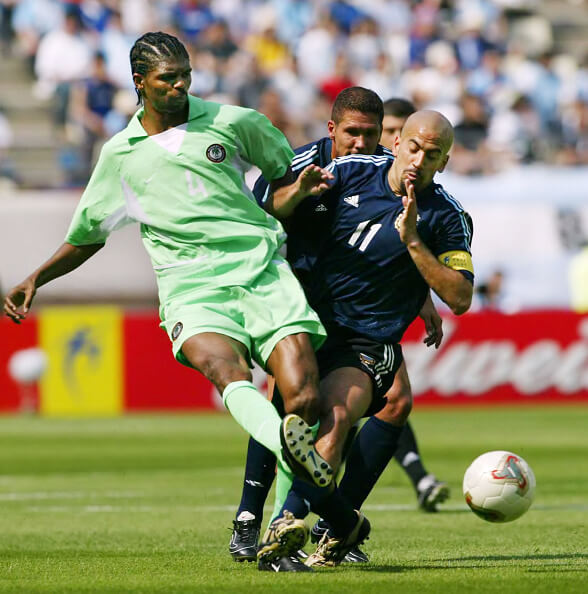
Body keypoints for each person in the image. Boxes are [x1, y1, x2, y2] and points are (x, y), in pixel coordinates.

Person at [3, 31, 373, 567]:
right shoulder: (121, 157)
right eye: (166, 78)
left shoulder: (235, 122)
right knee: (227, 371)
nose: (179, 86)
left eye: (184, 76)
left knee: (306, 397)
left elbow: (282, 187)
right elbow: (87, 236)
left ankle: (300, 519)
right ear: (139, 83)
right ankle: (297, 504)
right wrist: (36, 277)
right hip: (191, 285)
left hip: (261, 271)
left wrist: (303, 193)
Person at [229, 91, 452, 570]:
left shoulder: (433, 207)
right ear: (332, 129)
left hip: (359, 323)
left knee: (369, 405)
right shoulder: (317, 165)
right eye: (354, 133)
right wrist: (299, 195)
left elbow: (402, 257)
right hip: (298, 302)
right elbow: (263, 208)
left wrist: (422, 295)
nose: (363, 142)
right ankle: (260, 515)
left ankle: (317, 524)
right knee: (293, 404)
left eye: (372, 134)